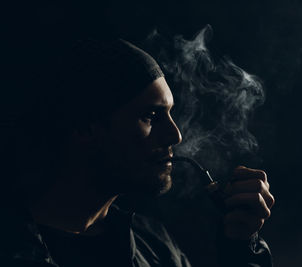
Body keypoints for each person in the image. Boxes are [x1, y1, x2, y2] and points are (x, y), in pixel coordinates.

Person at [0, 39, 275, 267]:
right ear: (85, 127)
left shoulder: (156, 246)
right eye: (151, 116)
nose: (175, 135)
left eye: (170, 114)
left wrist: (241, 248)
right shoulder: (13, 248)